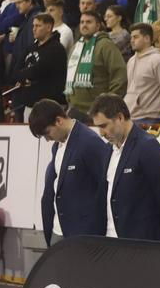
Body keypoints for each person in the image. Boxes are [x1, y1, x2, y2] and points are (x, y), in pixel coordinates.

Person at [89, 94, 160, 240]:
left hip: (141, 243)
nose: (101, 133)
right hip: (111, 239)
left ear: (120, 118)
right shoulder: (108, 149)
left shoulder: (148, 146)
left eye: (104, 126)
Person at [30, 98, 109, 245]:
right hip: (58, 231)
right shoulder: (57, 146)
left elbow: (105, 187)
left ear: (59, 121)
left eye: (47, 133)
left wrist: (94, 230)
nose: (48, 140)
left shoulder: (89, 142)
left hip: (83, 237)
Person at [65, 10, 126, 120]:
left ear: (98, 26)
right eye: (82, 22)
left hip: (98, 113)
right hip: (74, 110)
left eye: (88, 22)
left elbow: (119, 76)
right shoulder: (76, 47)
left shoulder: (106, 45)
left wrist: (108, 105)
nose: (84, 25)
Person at [10, 12, 68, 117]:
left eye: (38, 26)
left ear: (49, 27)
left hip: (49, 106)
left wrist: (25, 76)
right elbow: (15, 72)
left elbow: (37, 71)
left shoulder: (56, 49)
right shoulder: (30, 48)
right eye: (33, 26)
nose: (34, 29)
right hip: (29, 104)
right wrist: (25, 78)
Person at [124, 23, 160, 127]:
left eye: (136, 37)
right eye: (131, 37)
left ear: (147, 38)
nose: (132, 40)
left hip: (151, 118)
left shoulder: (158, 60)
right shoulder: (131, 61)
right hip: (131, 116)